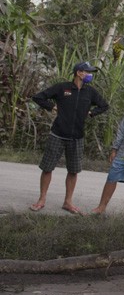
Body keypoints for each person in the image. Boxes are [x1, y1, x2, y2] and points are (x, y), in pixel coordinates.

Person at [30, 61, 109, 214]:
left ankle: (68, 202)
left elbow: (104, 105)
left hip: (77, 137)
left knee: (73, 171)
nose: (90, 75)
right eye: (87, 72)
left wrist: (92, 113)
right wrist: (52, 107)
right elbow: (38, 97)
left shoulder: (90, 92)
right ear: (79, 73)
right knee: (47, 168)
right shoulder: (62, 87)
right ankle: (42, 199)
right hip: (58, 134)